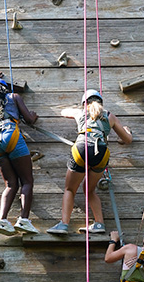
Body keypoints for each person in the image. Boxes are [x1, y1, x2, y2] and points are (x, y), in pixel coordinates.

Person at [47, 89, 132, 235]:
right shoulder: (110, 116)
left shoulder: (80, 113)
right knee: (89, 189)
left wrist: (75, 109)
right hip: (101, 154)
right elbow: (127, 139)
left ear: (84, 103)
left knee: (70, 189)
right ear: (101, 103)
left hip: (82, 149)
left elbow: (63, 112)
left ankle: (64, 224)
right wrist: (127, 130)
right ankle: (99, 224)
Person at [0, 71, 39, 235]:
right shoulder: (13, 97)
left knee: (11, 184)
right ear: (4, 89)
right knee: (27, 181)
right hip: (10, 134)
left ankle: (2, 220)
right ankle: (24, 220)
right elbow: (29, 119)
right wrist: (33, 116)